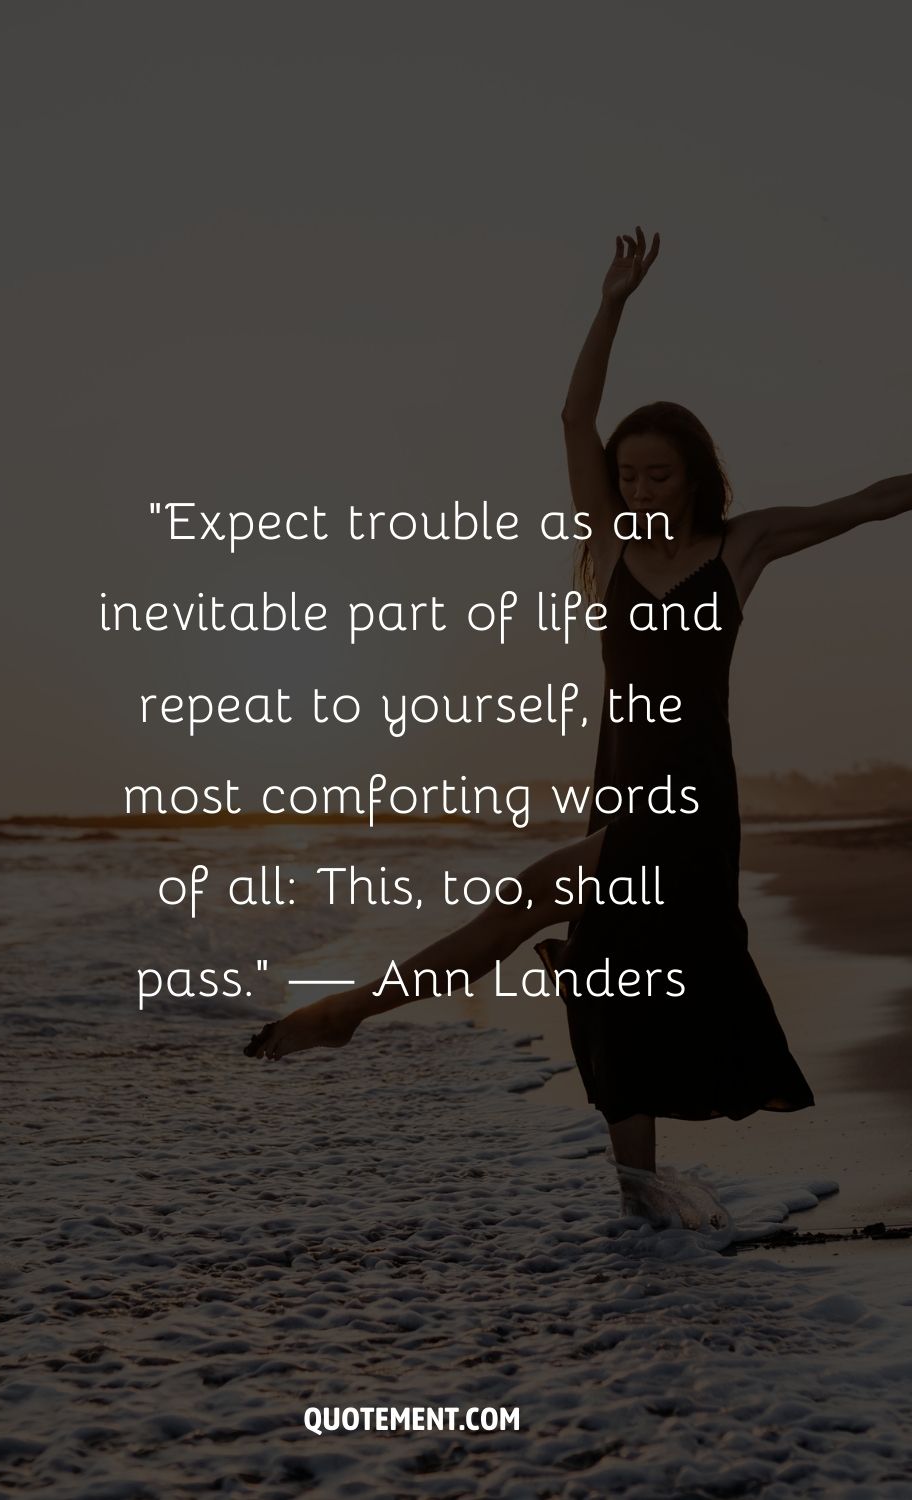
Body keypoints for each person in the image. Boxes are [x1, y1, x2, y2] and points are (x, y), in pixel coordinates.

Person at [245, 226, 912, 1229]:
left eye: (656, 475)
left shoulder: (741, 548)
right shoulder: (604, 551)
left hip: (690, 803)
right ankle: (638, 1194)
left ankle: (348, 1011)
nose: (638, 490)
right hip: (623, 785)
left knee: (527, 903)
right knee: (609, 981)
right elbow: (570, 415)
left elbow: (866, 502)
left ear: (691, 475)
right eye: (627, 475)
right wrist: (611, 303)